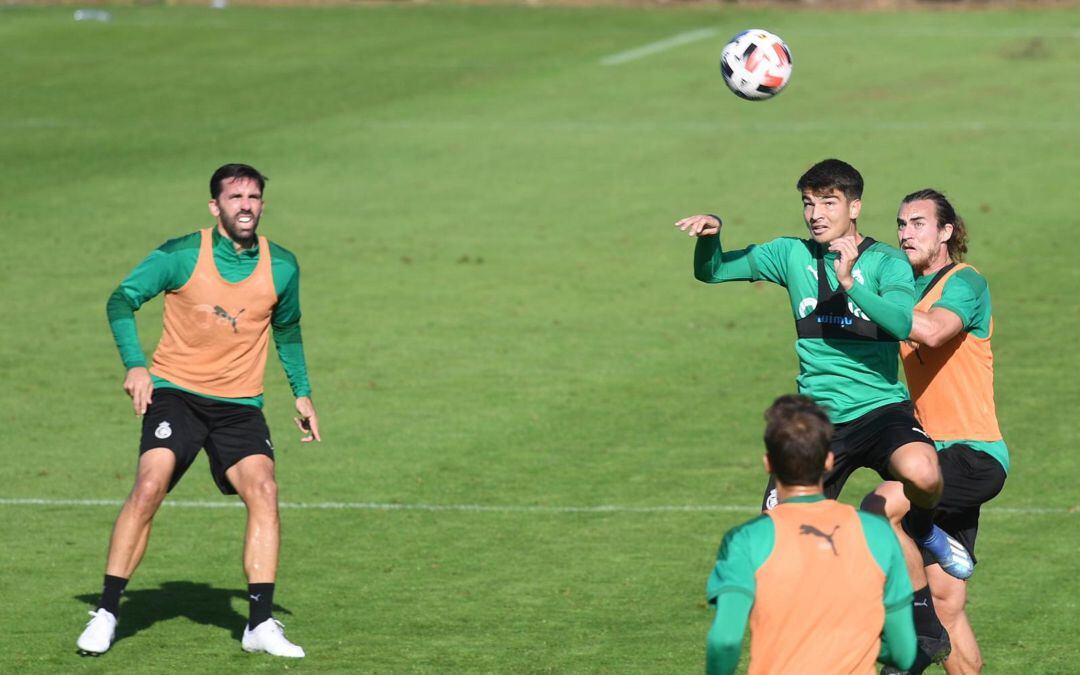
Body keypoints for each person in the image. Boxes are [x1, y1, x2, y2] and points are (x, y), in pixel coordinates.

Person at [675, 159, 969, 579]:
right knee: (779, 545)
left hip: (880, 410)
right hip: (818, 420)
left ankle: (923, 530)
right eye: (808, 203)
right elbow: (713, 271)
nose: (815, 214)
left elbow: (902, 320)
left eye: (829, 202)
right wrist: (712, 235)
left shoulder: (887, 262)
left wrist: (850, 284)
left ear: (855, 207)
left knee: (923, 472)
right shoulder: (790, 254)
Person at [76, 163, 321, 658]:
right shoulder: (182, 254)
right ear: (215, 206)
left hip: (240, 405)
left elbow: (287, 328)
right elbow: (121, 300)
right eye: (235, 197)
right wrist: (136, 365)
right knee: (150, 485)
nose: (246, 206)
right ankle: (106, 612)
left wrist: (301, 391)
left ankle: (259, 624)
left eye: (254, 197)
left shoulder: (282, 265)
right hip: (177, 394)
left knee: (265, 490)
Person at [864, 190, 1008, 675]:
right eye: (901, 224)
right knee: (948, 602)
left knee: (878, 509)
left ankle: (917, 626)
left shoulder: (964, 282)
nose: (906, 233)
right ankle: (931, 614)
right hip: (930, 454)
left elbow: (932, 331)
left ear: (947, 232)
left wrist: (862, 294)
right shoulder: (901, 291)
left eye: (918, 223)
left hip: (972, 456)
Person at [705, 394, 917, 675]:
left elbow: (725, 641)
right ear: (828, 460)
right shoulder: (877, 534)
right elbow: (904, 652)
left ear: (768, 463)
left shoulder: (745, 540)